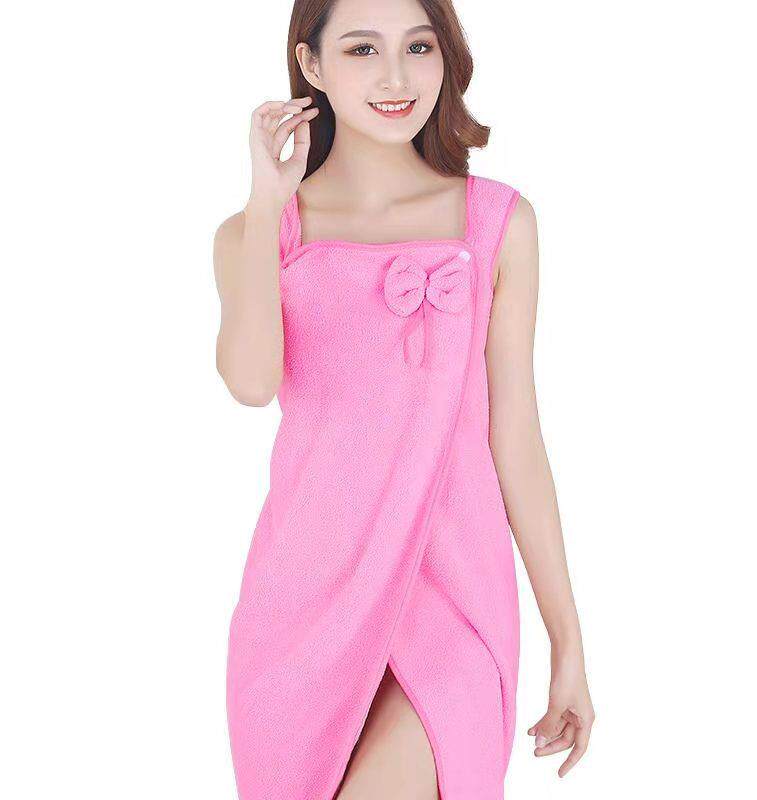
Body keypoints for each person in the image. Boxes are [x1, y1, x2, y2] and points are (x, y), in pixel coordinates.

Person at [213, 1, 594, 797]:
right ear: (310, 66)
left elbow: (516, 438)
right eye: (362, 50)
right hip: (304, 606)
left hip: (452, 595)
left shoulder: (497, 223)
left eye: (419, 47)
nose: (396, 77)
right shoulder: (257, 232)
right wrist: (265, 204)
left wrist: (568, 640)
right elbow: (250, 383)